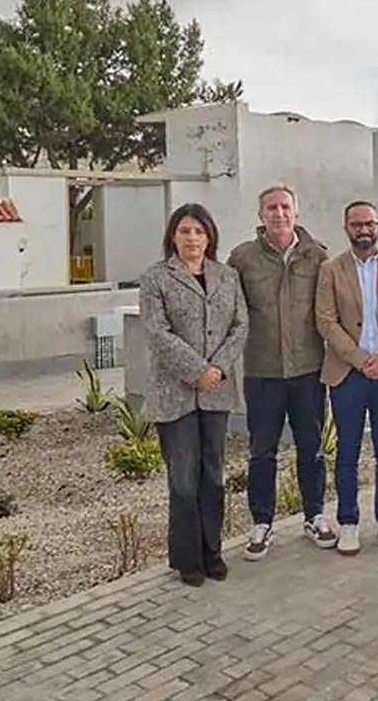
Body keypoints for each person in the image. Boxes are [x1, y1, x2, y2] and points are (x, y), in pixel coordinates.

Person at [139, 203, 247, 586]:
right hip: (176, 394)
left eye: (199, 231)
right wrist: (196, 370)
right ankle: (188, 560)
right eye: (185, 231)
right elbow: (157, 333)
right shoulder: (155, 278)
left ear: (210, 237)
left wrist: (215, 369)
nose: (192, 239)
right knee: (183, 481)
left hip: (216, 392)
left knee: (213, 476)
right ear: (173, 235)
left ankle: (212, 552)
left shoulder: (227, 276)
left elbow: (240, 325)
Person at [228, 184, 333, 561]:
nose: (278, 213)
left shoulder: (317, 256)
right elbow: (231, 313)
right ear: (261, 216)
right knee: (262, 451)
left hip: (307, 370)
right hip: (263, 371)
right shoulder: (242, 259)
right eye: (271, 208)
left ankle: (315, 515)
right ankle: (261, 522)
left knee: (312, 448)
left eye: (285, 207)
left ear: (296, 212)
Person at [315, 200, 378, 556]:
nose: (363, 229)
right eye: (356, 224)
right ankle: (349, 522)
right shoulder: (330, 270)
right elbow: (325, 320)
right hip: (347, 374)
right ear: (346, 228)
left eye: (369, 223)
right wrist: (359, 360)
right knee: (348, 452)